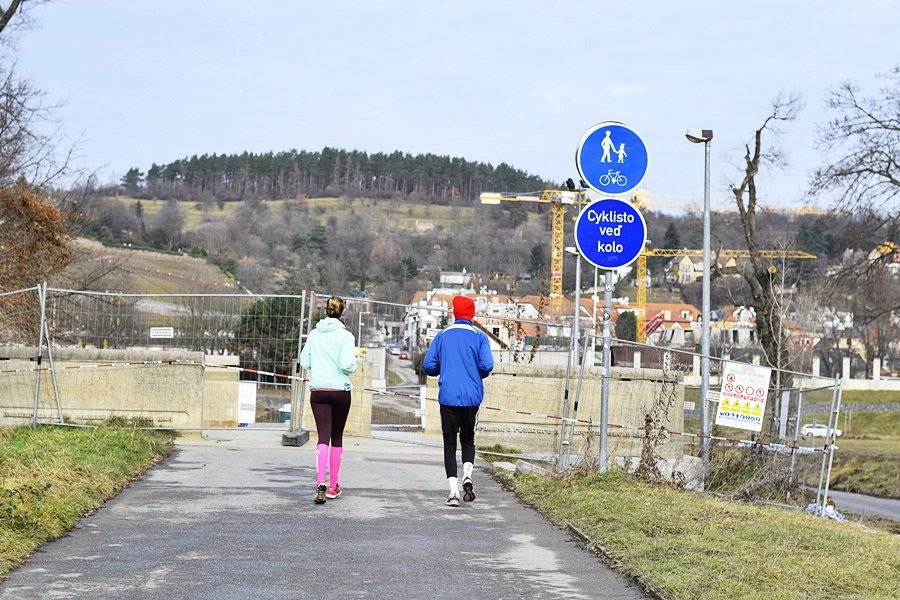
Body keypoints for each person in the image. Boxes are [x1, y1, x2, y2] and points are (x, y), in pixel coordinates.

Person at [422, 295, 494, 507]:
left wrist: (442, 369)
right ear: (472, 314)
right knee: (468, 440)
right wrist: (476, 373)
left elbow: (429, 365)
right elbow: (487, 365)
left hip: (448, 397)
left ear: (455, 312)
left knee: (449, 444)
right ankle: (468, 476)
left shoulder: (442, 335)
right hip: (472, 397)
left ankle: (453, 493)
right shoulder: (480, 337)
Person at [299, 296, 358, 505]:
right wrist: (353, 365)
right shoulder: (346, 336)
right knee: (337, 437)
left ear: (326, 311)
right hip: (340, 391)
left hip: (319, 390)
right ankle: (333, 486)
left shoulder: (314, 334)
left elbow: (304, 361)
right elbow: (347, 365)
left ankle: (319, 483)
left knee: (322, 437)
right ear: (343, 313)